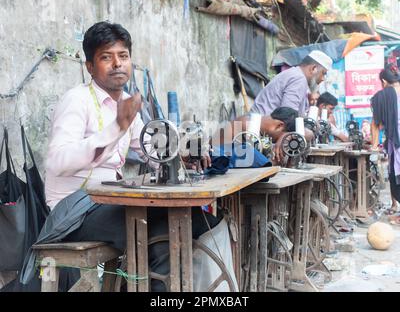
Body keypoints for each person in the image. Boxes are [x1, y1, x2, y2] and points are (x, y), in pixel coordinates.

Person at [23, 21, 222, 291]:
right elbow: (59, 161)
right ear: (90, 67)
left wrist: (182, 158)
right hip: (73, 212)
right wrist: (116, 128)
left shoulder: (126, 103)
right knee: (163, 231)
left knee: (200, 220)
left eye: (123, 56)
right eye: (106, 57)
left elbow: (151, 149)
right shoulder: (77, 100)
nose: (117, 63)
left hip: (105, 203)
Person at [251, 50, 333, 117]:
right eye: (323, 73)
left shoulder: (296, 75)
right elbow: (288, 116)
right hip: (259, 128)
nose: (323, 79)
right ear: (313, 68)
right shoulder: (299, 79)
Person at [371, 63, 400, 214]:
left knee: (396, 181)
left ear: (383, 82)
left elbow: (376, 124)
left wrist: (374, 145)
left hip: (397, 144)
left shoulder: (382, 96)